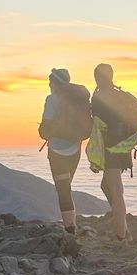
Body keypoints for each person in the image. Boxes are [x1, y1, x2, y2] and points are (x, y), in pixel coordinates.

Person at [90, 63, 137, 242]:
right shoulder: (120, 95)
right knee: (107, 187)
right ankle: (123, 227)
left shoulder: (100, 97)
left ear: (98, 77)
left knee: (115, 190)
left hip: (110, 147)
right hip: (122, 146)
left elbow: (96, 121)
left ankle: (121, 235)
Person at [39, 68, 85, 234]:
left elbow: (46, 124)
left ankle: (69, 229)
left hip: (58, 150)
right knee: (67, 187)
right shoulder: (79, 99)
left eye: (50, 82)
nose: (49, 86)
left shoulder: (52, 99)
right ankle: (71, 223)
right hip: (76, 148)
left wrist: (44, 132)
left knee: (63, 190)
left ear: (55, 83)